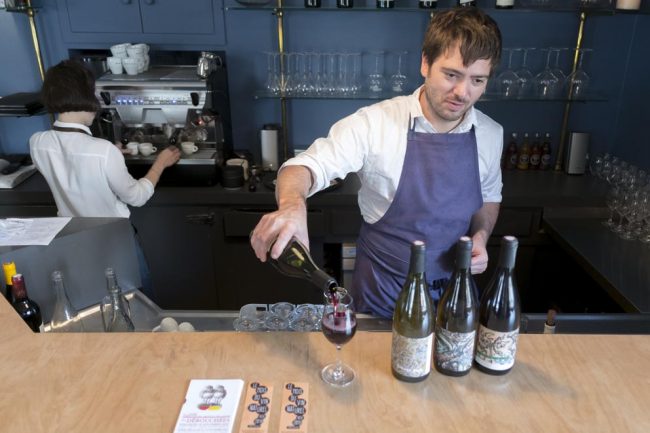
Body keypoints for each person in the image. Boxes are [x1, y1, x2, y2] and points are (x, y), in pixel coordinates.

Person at [250, 7, 503, 318]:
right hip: (383, 298)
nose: (463, 92)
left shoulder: (491, 135)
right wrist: (291, 206)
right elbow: (304, 166)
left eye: (477, 80)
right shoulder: (374, 123)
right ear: (425, 63)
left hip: (455, 299)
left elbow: (489, 198)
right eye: (451, 75)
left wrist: (481, 236)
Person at [29, 59, 181, 296]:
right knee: (137, 300)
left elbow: (70, 161)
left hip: (71, 239)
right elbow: (137, 196)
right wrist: (160, 163)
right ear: (85, 96)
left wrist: (106, 155)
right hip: (113, 241)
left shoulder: (37, 142)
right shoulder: (102, 151)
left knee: (92, 300)